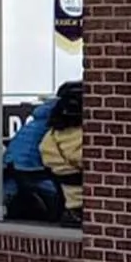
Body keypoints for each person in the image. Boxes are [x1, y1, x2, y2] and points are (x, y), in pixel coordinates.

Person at [2, 92, 62, 222]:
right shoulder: (54, 124)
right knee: (59, 193)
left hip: (11, 164)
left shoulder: (36, 122)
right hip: (29, 168)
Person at [39, 82, 83, 228]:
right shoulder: (85, 138)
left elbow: (47, 163)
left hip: (69, 208)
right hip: (87, 208)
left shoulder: (49, 139)